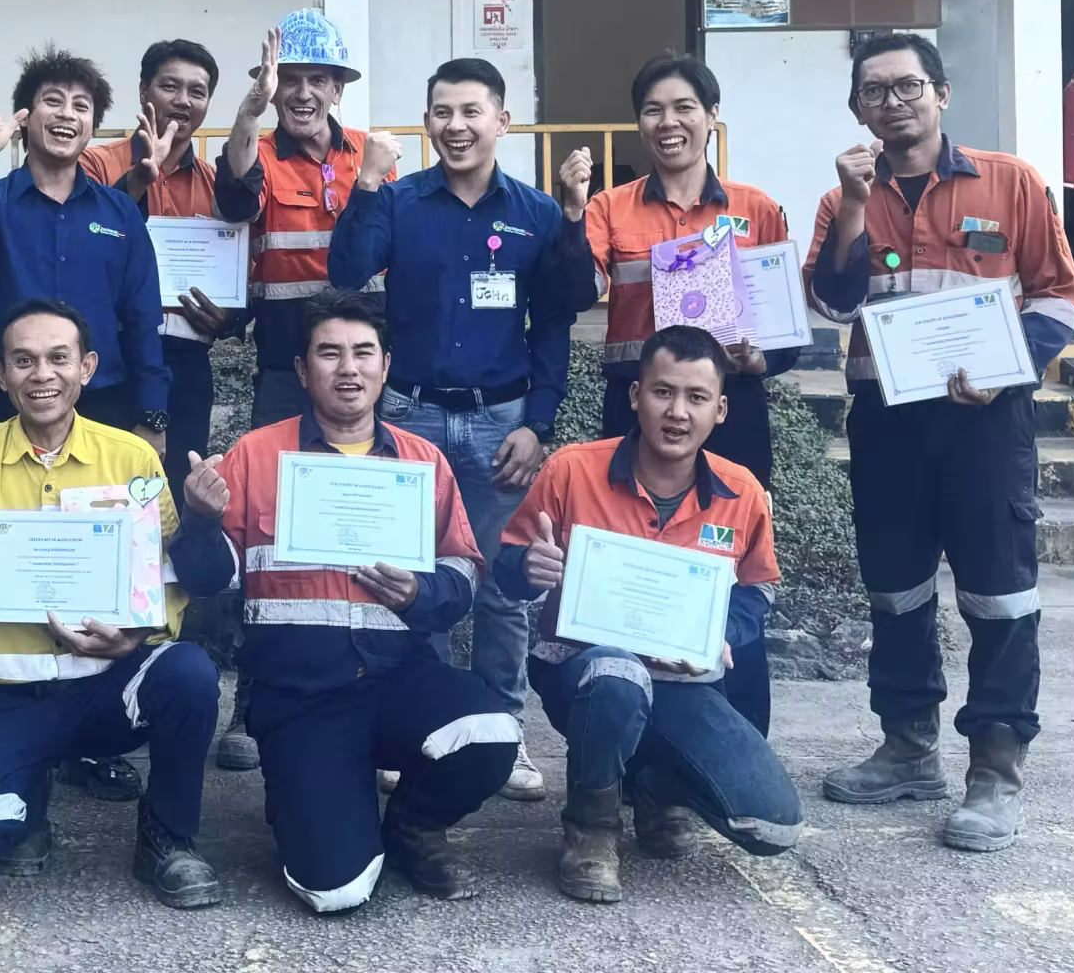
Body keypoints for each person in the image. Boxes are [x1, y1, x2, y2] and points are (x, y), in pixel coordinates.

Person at [807, 33, 1074, 853]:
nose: (894, 103)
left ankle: (995, 768)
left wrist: (1011, 370)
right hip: (887, 421)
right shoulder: (841, 198)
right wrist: (854, 205)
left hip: (985, 421)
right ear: (858, 108)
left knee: (998, 591)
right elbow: (831, 303)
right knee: (895, 589)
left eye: (908, 87)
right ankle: (907, 747)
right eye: (875, 92)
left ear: (941, 92)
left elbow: (1058, 295)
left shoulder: (1011, 181)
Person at [172, 291, 520, 913]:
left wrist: (422, 591)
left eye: (363, 353)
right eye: (329, 354)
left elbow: (463, 570)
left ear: (386, 365)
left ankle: (413, 824)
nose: (348, 368)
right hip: (300, 697)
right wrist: (198, 521)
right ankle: (330, 795)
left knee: (493, 731)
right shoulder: (255, 455)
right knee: (334, 890)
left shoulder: (423, 462)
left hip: (399, 681)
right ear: (304, 371)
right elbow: (207, 578)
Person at [0, 299, 225, 909]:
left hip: (104, 687)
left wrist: (134, 635)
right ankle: (26, 792)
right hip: (6, 697)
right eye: (25, 361)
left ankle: (167, 836)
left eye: (58, 358)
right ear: (1, 374)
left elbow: (163, 578)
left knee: (190, 674)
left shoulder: (133, 457)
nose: (43, 374)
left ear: (86, 367)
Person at [329, 57, 588, 803]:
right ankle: (420, 727)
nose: (455, 126)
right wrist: (368, 184)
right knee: (411, 580)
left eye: (472, 112)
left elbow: (559, 321)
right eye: (442, 112)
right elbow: (349, 273)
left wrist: (538, 423)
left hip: (502, 422)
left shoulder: (535, 212)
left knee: (504, 587)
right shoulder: (403, 200)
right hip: (408, 415)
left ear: (502, 122)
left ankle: (504, 732)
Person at [496, 326, 802, 903]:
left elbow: (757, 590)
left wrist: (722, 634)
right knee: (616, 674)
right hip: (584, 672)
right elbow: (509, 566)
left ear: (721, 409)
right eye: (663, 392)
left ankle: (656, 786)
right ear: (636, 395)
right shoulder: (570, 470)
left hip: (682, 679)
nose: (678, 412)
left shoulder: (742, 492)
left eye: (696, 397)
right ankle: (591, 827)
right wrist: (527, 567)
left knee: (772, 824)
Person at [0, 48, 171, 802]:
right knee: (5, 565)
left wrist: (153, 414)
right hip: (12, 401)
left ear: (93, 123)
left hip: (101, 406)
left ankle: (89, 734)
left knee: (98, 580)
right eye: (52, 100)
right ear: (25, 116)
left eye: (80, 104)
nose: (66, 114)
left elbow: (144, 317)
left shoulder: (118, 214)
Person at [570, 54, 799, 736]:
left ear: (711, 116)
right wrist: (571, 211)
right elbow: (576, 291)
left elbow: (785, 330)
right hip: (635, 408)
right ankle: (636, 738)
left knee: (729, 565)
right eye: (652, 110)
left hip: (732, 413)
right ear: (639, 124)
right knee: (634, 562)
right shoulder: (610, 208)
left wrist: (763, 356)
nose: (668, 122)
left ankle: (738, 735)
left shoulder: (756, 208)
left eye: (683, 107)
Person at [78, 39, 242, 510]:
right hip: (109, 356)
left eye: (197, 91)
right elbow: (84, 234)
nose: (182, 101)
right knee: (104, 488)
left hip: (187, 362)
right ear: (143, 90)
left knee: (173, 489)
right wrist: (136, 180)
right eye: (170, 86)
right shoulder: (95, 164)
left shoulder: (215, 186)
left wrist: (228, 318)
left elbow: (240, 275)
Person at [214, 11, 392, 431]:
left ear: (337, 90)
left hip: (362, 362)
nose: (303, 93)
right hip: (285, 364)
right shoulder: (256, 152)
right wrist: (247, 114)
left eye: (317, 80)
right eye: (290, 80)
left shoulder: (372, 155)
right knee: (274, 487)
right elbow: (237, 199)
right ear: (273, 93)